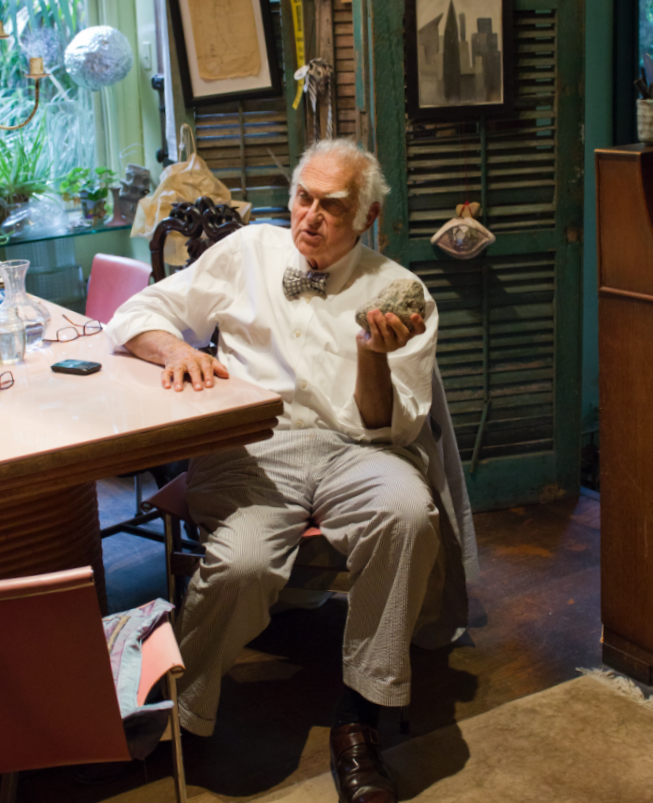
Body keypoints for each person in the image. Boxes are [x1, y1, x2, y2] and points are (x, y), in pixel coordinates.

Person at [106, 139, 474, 803]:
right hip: (250, 447)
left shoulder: (404, 293)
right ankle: (179, 717)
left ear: (366, 217)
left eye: (332, 206)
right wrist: (174, 352)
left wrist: (371, 354)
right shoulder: (248, 251)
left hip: (356, 449)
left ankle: (360, 716)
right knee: (242, 564)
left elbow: (390, 428)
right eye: (304, 197)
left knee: (407, 513)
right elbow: (139, 312)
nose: (310, 216)